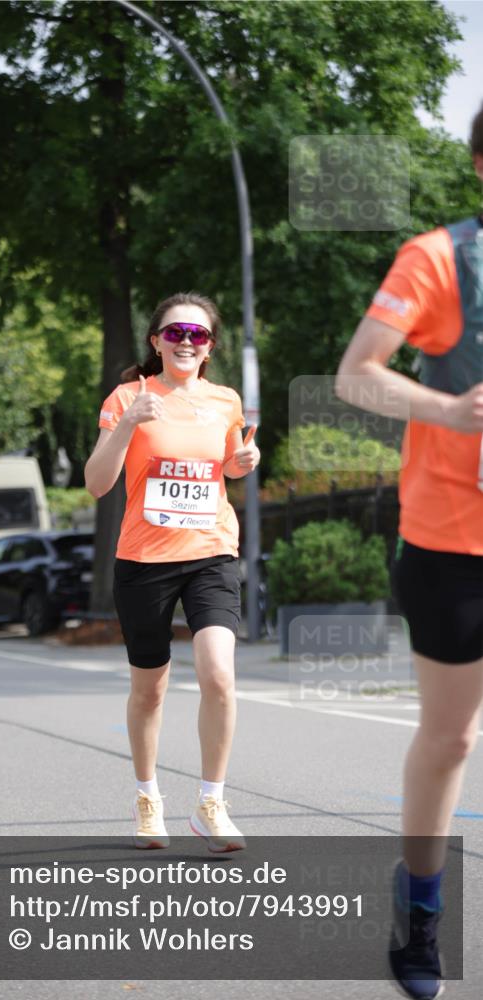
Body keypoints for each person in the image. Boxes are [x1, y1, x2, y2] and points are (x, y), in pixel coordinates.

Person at [336, 105, 483, 999]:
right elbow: (358, 372)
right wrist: (450, 411)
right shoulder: (438, 259)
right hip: (452, 538)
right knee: (448, 738)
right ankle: (417, 912)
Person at [85, 292, 260, 852]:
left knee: (219, 675)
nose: (187, 342)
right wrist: (126, 425)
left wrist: (241, 465)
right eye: (176, 333)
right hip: (144, 560)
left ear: (209, 347)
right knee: (150, 691)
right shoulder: (128, 397)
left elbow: (227, 466)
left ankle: (212, 802)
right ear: (156, 341)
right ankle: (147, 798)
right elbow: (96, 483)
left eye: (198, 335)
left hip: (211, 551)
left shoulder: (225, 401)